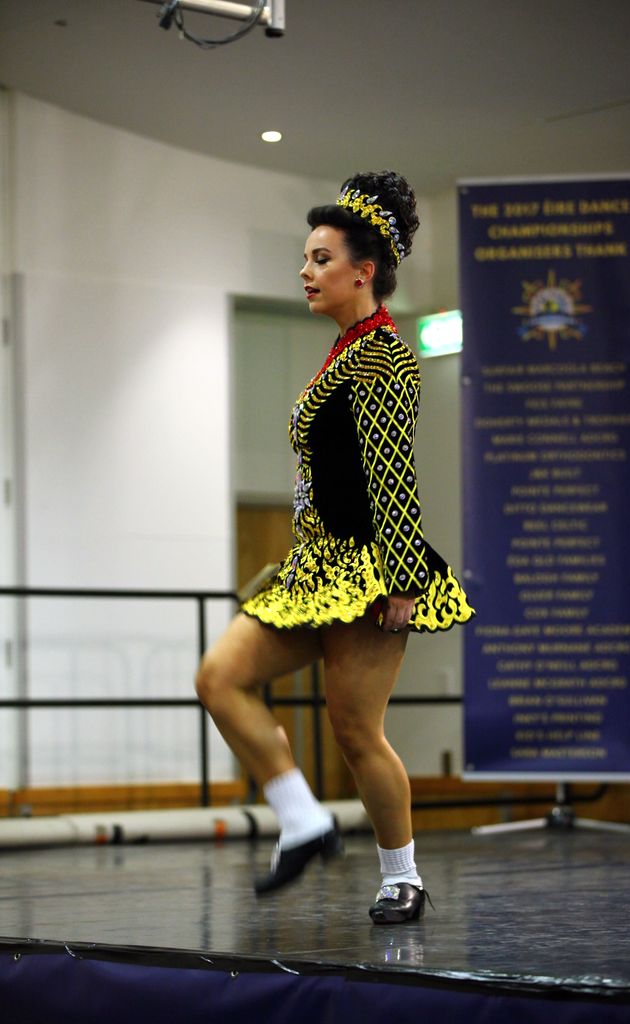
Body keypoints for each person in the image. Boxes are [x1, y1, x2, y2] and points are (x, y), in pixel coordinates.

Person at [196, 170, 474, 924]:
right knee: (219, 677)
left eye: (320, 259)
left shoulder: (383, 356)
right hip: (313, 568)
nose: (306, 271)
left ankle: (401, 878)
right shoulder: (344, 350)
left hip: (370, 571)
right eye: (306, 258)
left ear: (363, 271)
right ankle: (303, 820)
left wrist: (403, 580)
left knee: (355, 732)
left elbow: (392, 475)